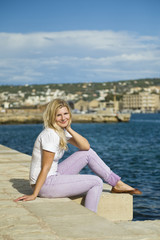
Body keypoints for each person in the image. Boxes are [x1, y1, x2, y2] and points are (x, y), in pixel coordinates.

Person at [14, 99, 141, 213]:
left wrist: (68, 128)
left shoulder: (60, 131)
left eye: (66, 114)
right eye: (59, 115)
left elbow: (85, 147)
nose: (63, 118)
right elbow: (45, 167)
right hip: (44, 184)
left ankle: (116, 183)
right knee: (96, 182)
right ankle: (90, 219)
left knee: (88, 154)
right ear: (52, 117)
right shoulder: (50, 135)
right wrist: (35, 194)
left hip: (53, 176)